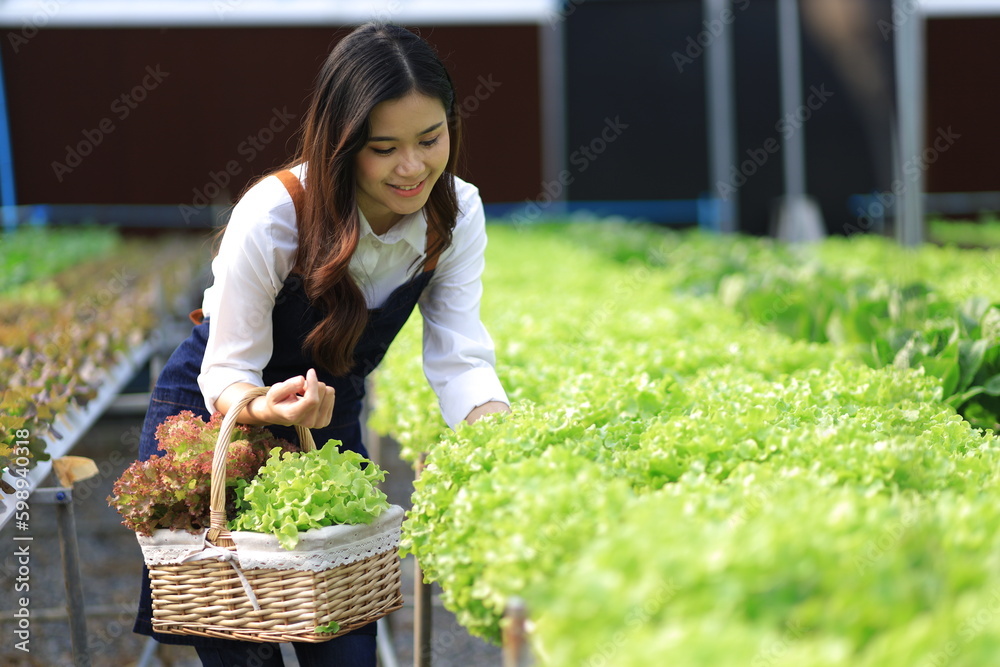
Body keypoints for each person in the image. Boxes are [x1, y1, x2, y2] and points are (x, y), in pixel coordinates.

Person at [133, 21, 511, 667]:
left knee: (345, 641)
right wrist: (268, 409)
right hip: (215, 421)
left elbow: (460, 358)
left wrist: (500, 436)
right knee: (241, 641)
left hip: (329, 424)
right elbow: (225, 367)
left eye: (430, 138)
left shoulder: (457, 212)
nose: (413, 166)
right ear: (342, 144)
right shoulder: (277, 212)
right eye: (384, 147)